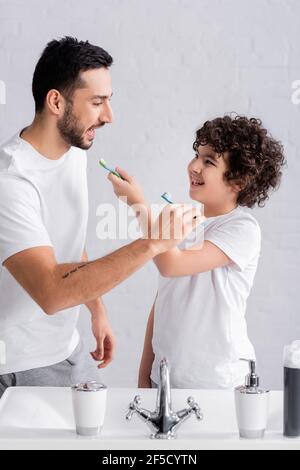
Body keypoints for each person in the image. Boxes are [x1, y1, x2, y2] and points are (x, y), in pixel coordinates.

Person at [0, 37, 198, 398]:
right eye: (97, 102)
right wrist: (154, 242)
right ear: (56, 102)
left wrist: (96, 309)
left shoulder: (73, 151)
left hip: (70, 349)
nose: (108, 116)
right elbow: (52, 291)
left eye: (108, 101)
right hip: (20, 366)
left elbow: (67, 241)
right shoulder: (11, 181)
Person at [108, 115, 286, 389]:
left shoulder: (241, 228)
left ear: (238, 181)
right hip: (166, 379)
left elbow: (171, 264)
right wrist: (146, 373)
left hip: (218, 382)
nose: (193, 166)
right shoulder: (184, 221)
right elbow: (163, 300)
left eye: (208, 161)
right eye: (196, 155)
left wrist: (137, 205)